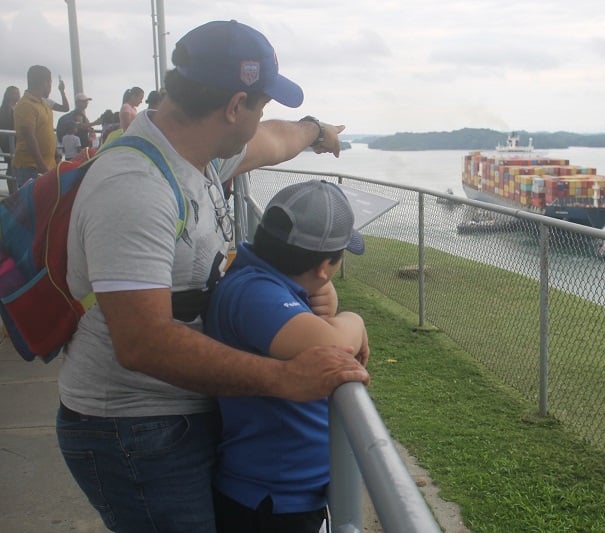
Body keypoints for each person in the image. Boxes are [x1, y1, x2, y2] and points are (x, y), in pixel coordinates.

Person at [56, 20, 367, 533]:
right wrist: (283, 379)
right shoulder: (136, 188)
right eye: (261, 104)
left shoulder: (201, 153)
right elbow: (144, 342)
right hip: (134, 428)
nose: (264, 117)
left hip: (178, 415)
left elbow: (276, 140)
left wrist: (316, 131)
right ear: (232, 107)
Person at [205, 180, 370, 533]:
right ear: (324, 265)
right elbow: (337, 346)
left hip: (285, 494)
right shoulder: (255, 292)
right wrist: (354, 321)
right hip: (271, 502)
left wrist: (322, 295)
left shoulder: (259, 278)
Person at [11, 65, 58, 189]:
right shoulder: (26, 105)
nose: (50, 87)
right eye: (50, 83)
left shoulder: (43, 104)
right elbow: (29, 137)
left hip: (48, 164)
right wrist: (42, 166)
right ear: (45, 82)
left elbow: (45, 130)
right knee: (31, 207)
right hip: (31, 167)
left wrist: (56, 153)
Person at [0, 85, 20, 169]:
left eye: (18, 93)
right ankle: (12, 181)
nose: (18, 96)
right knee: (11, 164)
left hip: (17, 140)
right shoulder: (5, 109)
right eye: (15, 93)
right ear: (9, 95)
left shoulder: (18, 107)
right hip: (9, 142)